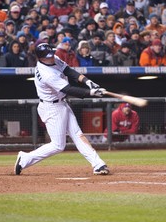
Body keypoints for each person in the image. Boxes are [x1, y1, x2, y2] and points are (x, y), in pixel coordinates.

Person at [14, 43, 110, 176]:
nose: (52, 56)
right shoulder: (46, 73)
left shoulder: (54, 59)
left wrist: (88, 82)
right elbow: (68, 89)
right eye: (49, 56)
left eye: (52, 53)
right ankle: (25, 159)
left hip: (61, 103)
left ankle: (98, 164)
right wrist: (91, 93)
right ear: (41, 58)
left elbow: (68, 71)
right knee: (58, 146)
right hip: (51, 108)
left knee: (78, 135)